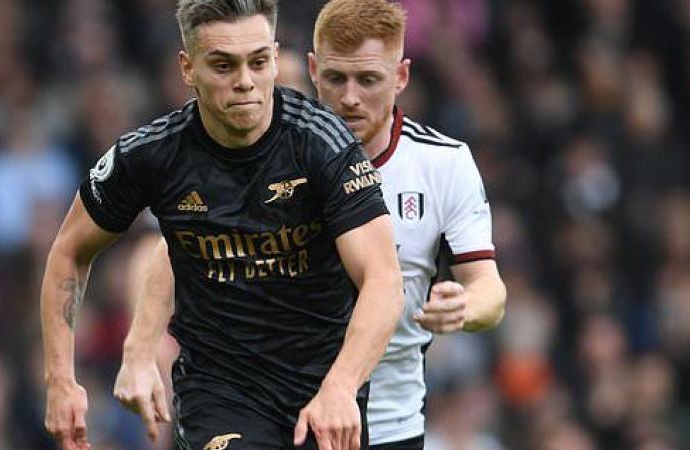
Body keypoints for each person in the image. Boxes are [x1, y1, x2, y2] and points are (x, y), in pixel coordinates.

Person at [117, 1, 507, 449]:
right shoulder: (275, 154)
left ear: (400, 76)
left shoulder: (443, 164)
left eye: (368, 80)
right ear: (314, 71)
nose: (350, 97)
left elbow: (490, 292)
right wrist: (143, 345)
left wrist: (465, 307)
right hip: (278, 410)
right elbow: (182, 247)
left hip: (389, 420)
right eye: (337, 78)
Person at [40, 1, 404, 450]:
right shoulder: (152, 156)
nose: (245, 81)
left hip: (322, 392)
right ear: (187, 68)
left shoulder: (323, 145)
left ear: (274, 57)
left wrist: (342, 386)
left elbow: (384, 280)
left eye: (258, 62)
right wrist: (61, 380)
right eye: (223, 65)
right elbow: (70, 250)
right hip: (219, 392)